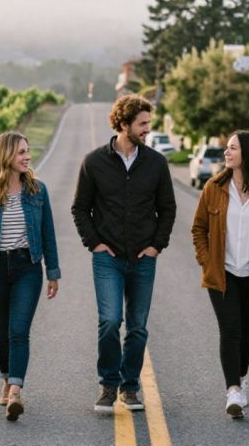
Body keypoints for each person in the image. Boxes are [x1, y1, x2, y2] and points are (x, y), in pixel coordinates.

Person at [72, 95, 176, 414]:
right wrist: (95, 243)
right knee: (109, 320)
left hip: (144, 258)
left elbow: (167, 209)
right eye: (142, 123)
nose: (148, 129)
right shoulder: (93, 162)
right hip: (108, 257)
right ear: (123, 123)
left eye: (148, 123)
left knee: (137, 326)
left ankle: (130, 388)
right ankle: (108, 386)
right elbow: (80, 208)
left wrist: (156, 246)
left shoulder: (156, 163)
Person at [0, 131, 60, 422]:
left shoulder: (37, 191)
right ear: (6, 155)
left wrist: (52, 272)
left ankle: (16, 390)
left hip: (26, 268)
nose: (27, 157)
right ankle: (6, 377)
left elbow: (47, 234)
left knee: (19, 330)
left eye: (27, 151)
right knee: (0, 333)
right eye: (21, 152)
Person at [191, 130, 249, 419]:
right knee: (230, 330)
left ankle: (241, 377)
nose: (226, 153)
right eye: (226, 148)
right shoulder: (214, 188)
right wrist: (207, 262)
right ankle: (232, 389)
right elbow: (199, 229)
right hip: (222, 273)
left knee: (248, 332)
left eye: (232, 148)